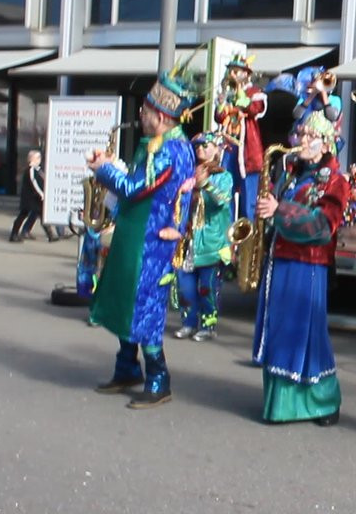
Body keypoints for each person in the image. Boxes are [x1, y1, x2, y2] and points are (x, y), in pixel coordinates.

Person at [88, 62, 197, 410]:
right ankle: (126, 369)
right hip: (137, 235)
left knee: (145, 309)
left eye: (147, 110)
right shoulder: (156, 142)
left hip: (151, 243)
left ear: (163, 117)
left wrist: (103, 171)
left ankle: (158, 379)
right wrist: (111, 163)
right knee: (125, 301)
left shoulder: (170, 151)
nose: (141, 113)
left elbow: (136, 188)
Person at [252, 111, 350, 425]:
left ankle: (324, 401)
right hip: (280, 259)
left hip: (308, 265)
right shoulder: (291, 173)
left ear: (326, 144)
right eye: (302, 134)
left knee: (308, 336)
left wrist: (280, 210)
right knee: (280, 332)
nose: (302, 141)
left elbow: (322, 227)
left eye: (312, 136)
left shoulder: (336, 181)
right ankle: (281, 405)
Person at [174, 132, 234, 342]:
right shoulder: (187, 172)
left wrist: (205, 183)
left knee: (206, 287)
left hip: (211, 242)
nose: (201, 149)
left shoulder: (223, 176)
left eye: (206, 146)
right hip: (188, 240)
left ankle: (208, 325)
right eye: (197, 146)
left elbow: (221, 201)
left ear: (217, 149)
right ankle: (188, 323)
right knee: (185, 287)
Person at [215, 53, 267, 220]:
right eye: (231, 71)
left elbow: (253, 109)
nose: (232, 75)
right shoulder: (229, 93)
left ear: (246, 74)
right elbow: (220, 117)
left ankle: (248, 243)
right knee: (225, 194)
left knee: (249, 200)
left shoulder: (254, 92)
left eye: (236, 71)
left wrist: (238, 92)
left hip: (248, 152)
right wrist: (223, 99)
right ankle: (227, 238)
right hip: (229, 148)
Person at [9, 150, 58, 242]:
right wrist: (41, 194)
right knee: (23, 215)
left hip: (35, 198)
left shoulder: (38, 170)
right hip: (30, 198)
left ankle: (50, 235)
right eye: (38, 157)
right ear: (32, 159)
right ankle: (14, 234)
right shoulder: (31, 169)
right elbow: (34, 183)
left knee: (41, 215)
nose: (40, 159)